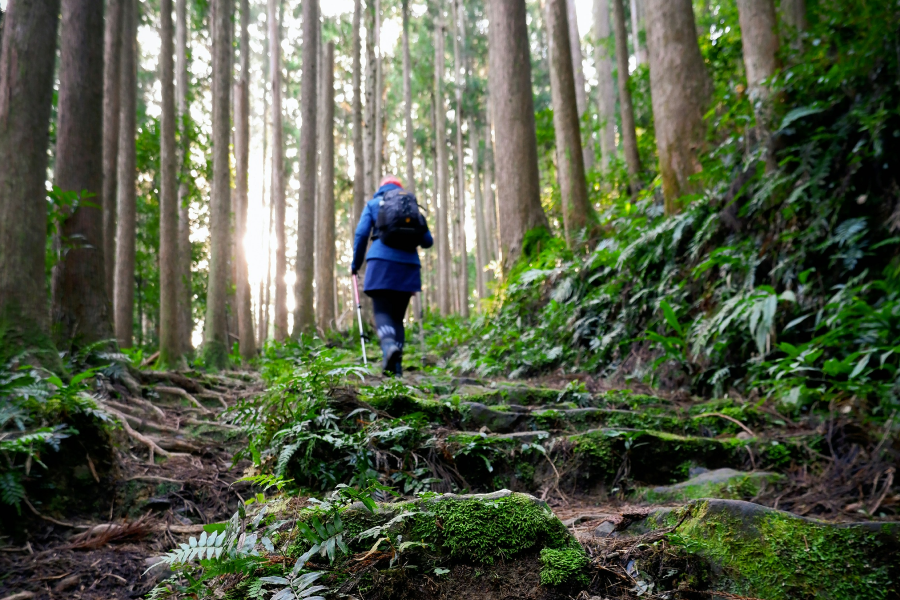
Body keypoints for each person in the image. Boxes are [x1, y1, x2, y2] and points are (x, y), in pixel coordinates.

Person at [352, 175, 433, 376]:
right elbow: (427, 241)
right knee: (397, 318)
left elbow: (361, 234)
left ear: (381, 188)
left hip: (381, 263)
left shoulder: (373, 204)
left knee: (382, 312)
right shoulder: (411, 207)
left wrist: (356, 265)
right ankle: (396, 371)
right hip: (408, 266)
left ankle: (388, 347)